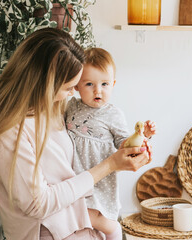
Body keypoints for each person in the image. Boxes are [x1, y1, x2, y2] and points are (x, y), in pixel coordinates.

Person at [0, 28, 151, 240]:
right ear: (43, 83)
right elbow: (38, 204)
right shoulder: (7, 133)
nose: (72, 93)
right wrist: (109, 165)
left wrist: (132, 146)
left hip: (84, 226)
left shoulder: (49, 108)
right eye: (69, 87)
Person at [65, 47, 156, 240]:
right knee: (74, 212)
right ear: (76, 86)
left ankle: (113, 230)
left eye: (105, 84)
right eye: (89, 84)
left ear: (113, 84)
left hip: (99, 177)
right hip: (75, 175)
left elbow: (125, 144)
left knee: (96, 214)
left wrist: (142, 135)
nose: (98, 90)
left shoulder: (113, 114)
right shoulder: (70, 106)